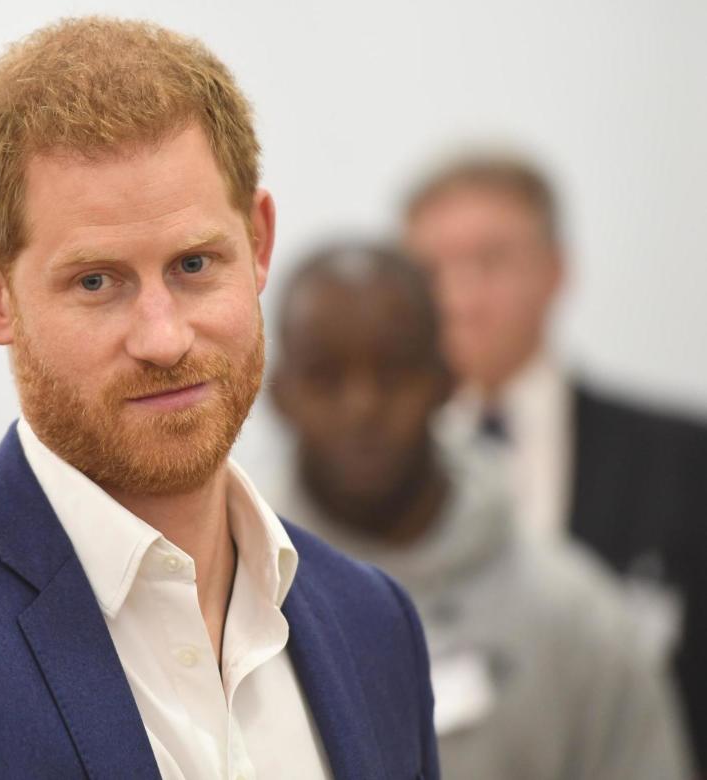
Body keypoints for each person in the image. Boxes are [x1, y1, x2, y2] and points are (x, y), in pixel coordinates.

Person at [0, 17, 439, 779]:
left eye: (195, 264)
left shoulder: (373, 625)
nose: (163, 337)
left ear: (258, 244)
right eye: (97, 282)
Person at [271, 242, 692, 779]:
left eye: (394, 373)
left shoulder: (577, 620)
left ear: (447, 382)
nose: (363, 407)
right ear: (280, 393)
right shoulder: (228, 604)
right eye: (326, 377)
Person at [402, 152, 707, 767]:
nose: (459, 296)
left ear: (556, 270)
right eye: (432, 269)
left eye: (490, 261)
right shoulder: (364, 480)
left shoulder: (683, 460)